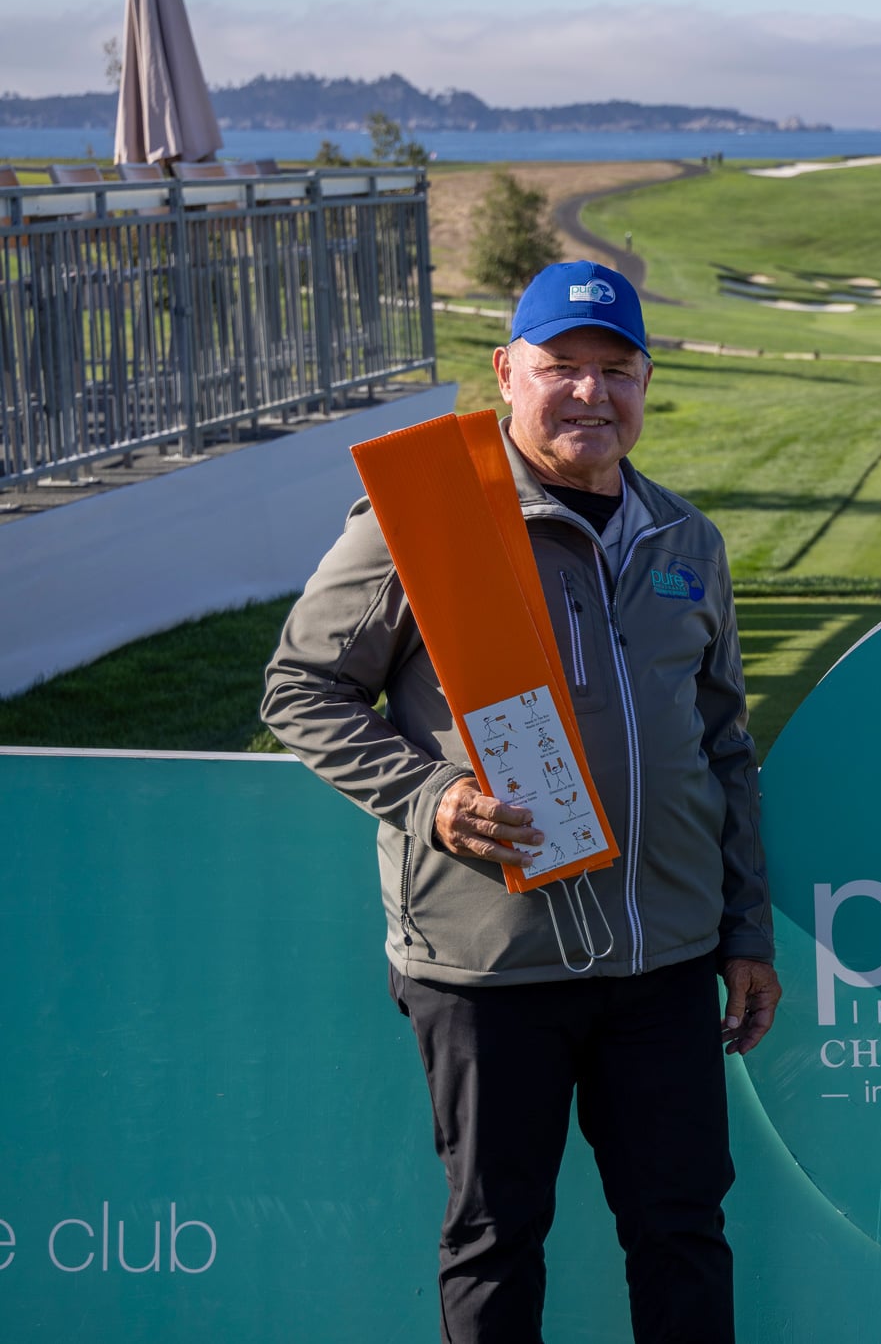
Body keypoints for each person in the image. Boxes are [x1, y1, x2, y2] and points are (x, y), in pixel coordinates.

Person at [263, 260, 781, 1344]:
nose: (591, 393)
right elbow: (299, 689)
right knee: (496, 1240)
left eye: (616, 369)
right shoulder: (424, 518)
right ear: (506, 373)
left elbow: (724, 747)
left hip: (662, 961)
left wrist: (743, 928)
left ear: (646, 382)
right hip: (490, 969)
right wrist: (430, 796)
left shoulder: (685, 540)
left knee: (684, 1233)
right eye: (561, 367)